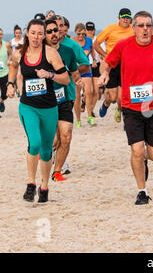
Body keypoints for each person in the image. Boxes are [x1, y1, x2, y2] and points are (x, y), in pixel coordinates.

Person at [98, 11, 153, 205]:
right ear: (134, 28)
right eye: (141, 25)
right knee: (136, 150)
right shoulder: (123, 46)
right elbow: (107, 63)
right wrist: (104, 74)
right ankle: (142, 191)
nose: (145, 29)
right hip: (130, 106)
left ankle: (144, 162)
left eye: (148, 25)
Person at [6, 18, 70, 203]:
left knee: (46, 150)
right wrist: (11, 84)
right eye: (33, 33)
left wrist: (49, 74)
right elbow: (13, 66)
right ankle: (31, 184)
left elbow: (65, 78)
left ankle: (44, 187)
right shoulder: (20, 53)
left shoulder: (50, 53)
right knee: (34, 143)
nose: (36, 37)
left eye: (40, 34)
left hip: (49, 108)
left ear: (44, 36)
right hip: (28, 106)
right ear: (27, 33)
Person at [44, 19, 83, 182]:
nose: (54, 33)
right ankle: (45, 158)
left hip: (64, 99)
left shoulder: (68, 51)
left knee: (66, 136)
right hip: (45, 101)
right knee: (54, 140)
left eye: (56, 30)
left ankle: (57, 171)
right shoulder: (40, 52)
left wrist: (80, 86)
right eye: (50, 31)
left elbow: (75, 74)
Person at [94, 8, 134, 123]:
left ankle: (120, 110)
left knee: (121, 99)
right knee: (112, 97)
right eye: (123, 17)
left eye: (128, 17)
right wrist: (105, 55)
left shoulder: (134, 30)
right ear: (119, 18)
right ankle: (106, 104)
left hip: (126, 65)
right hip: (111, 65)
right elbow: (96, 44)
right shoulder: (110, 29)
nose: (126, 19)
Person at [73, 23, 96, 127]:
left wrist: (94, 60)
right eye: (79, 34)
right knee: (77, 96)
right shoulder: (73, 42)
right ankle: (78, 120)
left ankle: (90, 116)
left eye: (83, 33)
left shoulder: (89, 40)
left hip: (86, 68)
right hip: (76, 70)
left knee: (89, 92)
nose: (81, 36)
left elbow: (92, 50)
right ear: (75, 33)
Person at [85, 21, 102, 116]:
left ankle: (90, 109)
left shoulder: (97, 40)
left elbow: (101, 52)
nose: (90, 32)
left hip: (96, 66)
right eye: (88, 30)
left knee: (96, 91)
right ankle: (89, 111)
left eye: (92, 30)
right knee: (89, 91)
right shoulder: (83, 40)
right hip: (86, 66)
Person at [0, 28, 12, 115]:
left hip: (4, 72)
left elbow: (11, 54)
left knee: (5, 93)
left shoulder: (6, 44)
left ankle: (1, 101)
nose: (0, 36)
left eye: (1, 34)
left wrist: (9, 60)